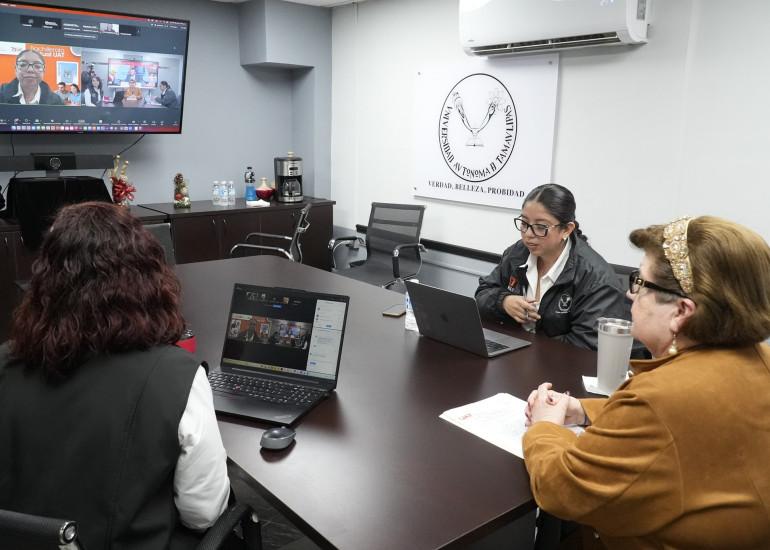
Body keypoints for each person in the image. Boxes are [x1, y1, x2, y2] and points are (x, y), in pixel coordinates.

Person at [523, 216, 770, 549]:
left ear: (681, 311)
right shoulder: (758, 358)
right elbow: (680, 424)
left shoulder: (660, 399)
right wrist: (582, 409)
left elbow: (561, 489)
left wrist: (544, 427)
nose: (629, 294)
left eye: (641, 283)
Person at [0, 202, 230, 549]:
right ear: (149, 280)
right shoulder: (177, 377)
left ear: (45, 282)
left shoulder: (6, 362)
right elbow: (203, 514)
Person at [475, 183, 628, 350]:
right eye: (524, 223)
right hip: (516, 353)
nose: (528, 234)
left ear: (566, 230)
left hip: (556, 362)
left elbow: (585, 346)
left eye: (541, 227)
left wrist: (529, 351)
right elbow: (483, 294)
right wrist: (503, 301)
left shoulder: (595, 278)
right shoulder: (518, 253)